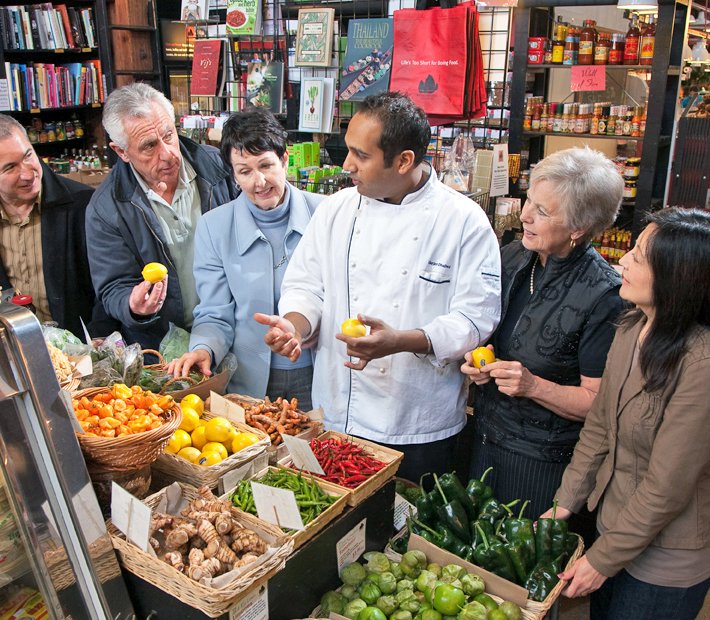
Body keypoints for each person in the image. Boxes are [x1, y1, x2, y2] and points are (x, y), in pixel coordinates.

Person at [547, 208, 710, 620]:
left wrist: (601, 560)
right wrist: (563, 505)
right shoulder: (631, 327)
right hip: (611, 524)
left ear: (681, 279)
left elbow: (666, 488)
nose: (623, 262)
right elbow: (598, 428)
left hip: (666, 558)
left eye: (639, 256)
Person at [255, 92, 501, 483]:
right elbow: (306, 286)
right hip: (338, 410)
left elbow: (475, 318)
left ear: (404, 161)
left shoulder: (463, 221)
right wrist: (294, 327)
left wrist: (401, 340)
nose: (347, 164)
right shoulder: (337, 209)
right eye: (348, 150)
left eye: (361, 155)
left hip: (416, 422)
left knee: (406, 530)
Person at [462, 147, 626, 521]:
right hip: (485, 439)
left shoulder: (605, 296)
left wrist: (533, 386)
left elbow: (598, 404)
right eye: (529, 201)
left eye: (543, 211)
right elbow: (495, 334)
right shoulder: (516, 257)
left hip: (542, 465)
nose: (525, 215)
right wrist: (476, 356)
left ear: (579, 228)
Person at [167, 109, 325, 407]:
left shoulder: (326, 214)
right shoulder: (215, 227)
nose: (259, 181)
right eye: (245, 171)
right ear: (234, 175)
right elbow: (215, 312)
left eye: (266, 165)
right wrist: (203, 349)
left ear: (285, 160)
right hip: (251, 382)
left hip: (317, 372)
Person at [85, 83, 237, 352]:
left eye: (169, 135)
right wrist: (132, 306)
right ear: (122, 152)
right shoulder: (106, 208)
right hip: (163, 349)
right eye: (149, 146)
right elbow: (113, 286)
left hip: (233, 331)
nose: (167, 153)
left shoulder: (219, 167)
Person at [0, 113, 113, 335]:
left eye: (28, 156)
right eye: (10, 168)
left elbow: (107, 286)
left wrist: (95, 343)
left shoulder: (82, 203)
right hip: (3, 340)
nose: (27, 174)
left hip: (76, 348)